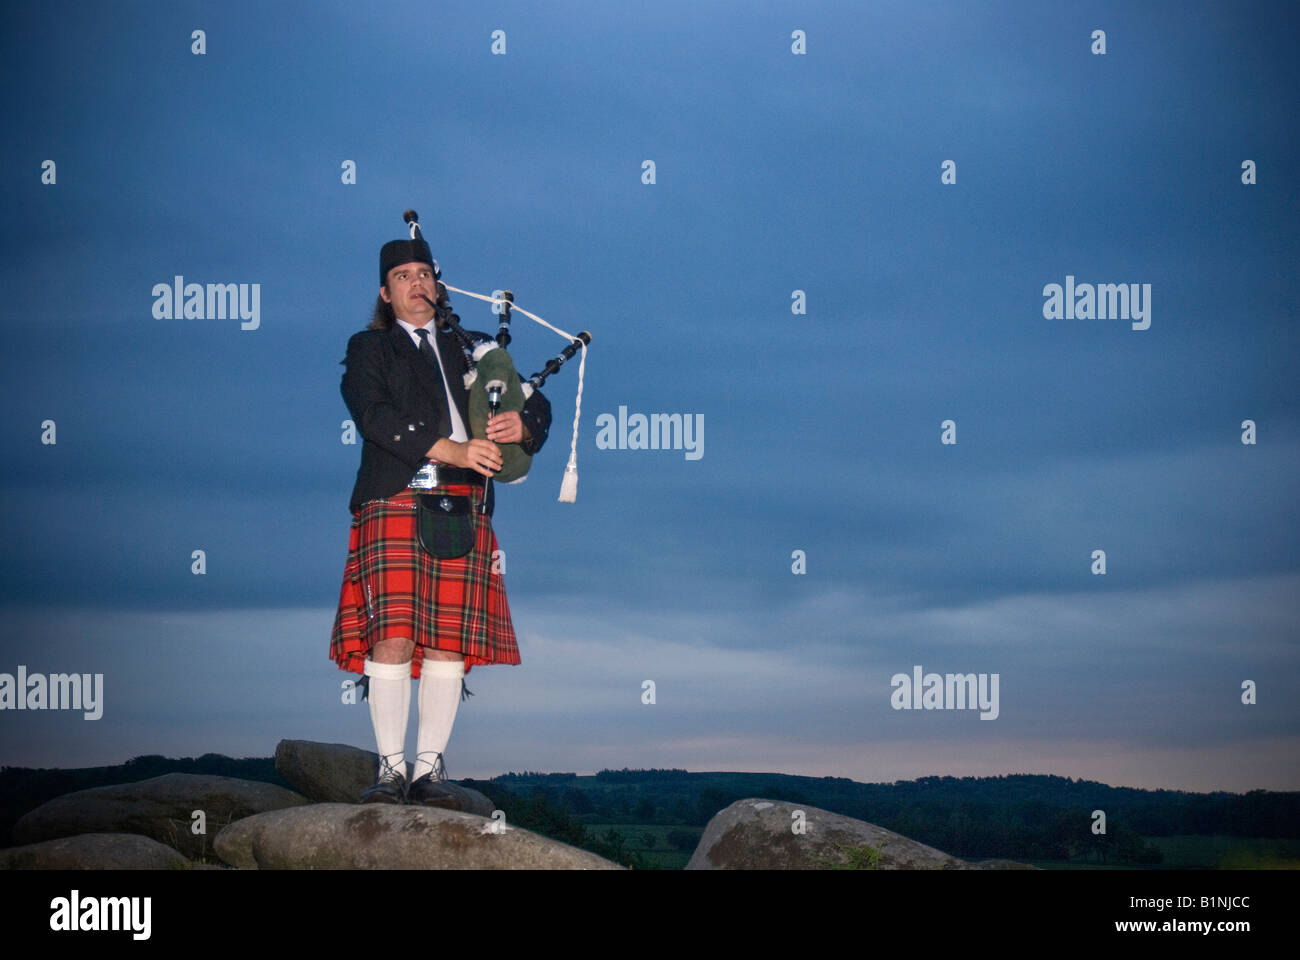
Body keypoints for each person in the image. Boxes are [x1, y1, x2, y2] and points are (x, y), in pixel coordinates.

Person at [330, 220, 551, 807]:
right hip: (398, 495)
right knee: (395, 636)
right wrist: (450, 447)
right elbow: (371, 414)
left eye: (424, 273)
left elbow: (539, 404)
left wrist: (520, 426)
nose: (415, 284)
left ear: (439, 283)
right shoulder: (370, 348)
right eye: (402, 277)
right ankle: (389, 772)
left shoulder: (474, 346)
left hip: (465, 502)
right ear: (386, 293)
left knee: (449, 641)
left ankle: (429, 774)